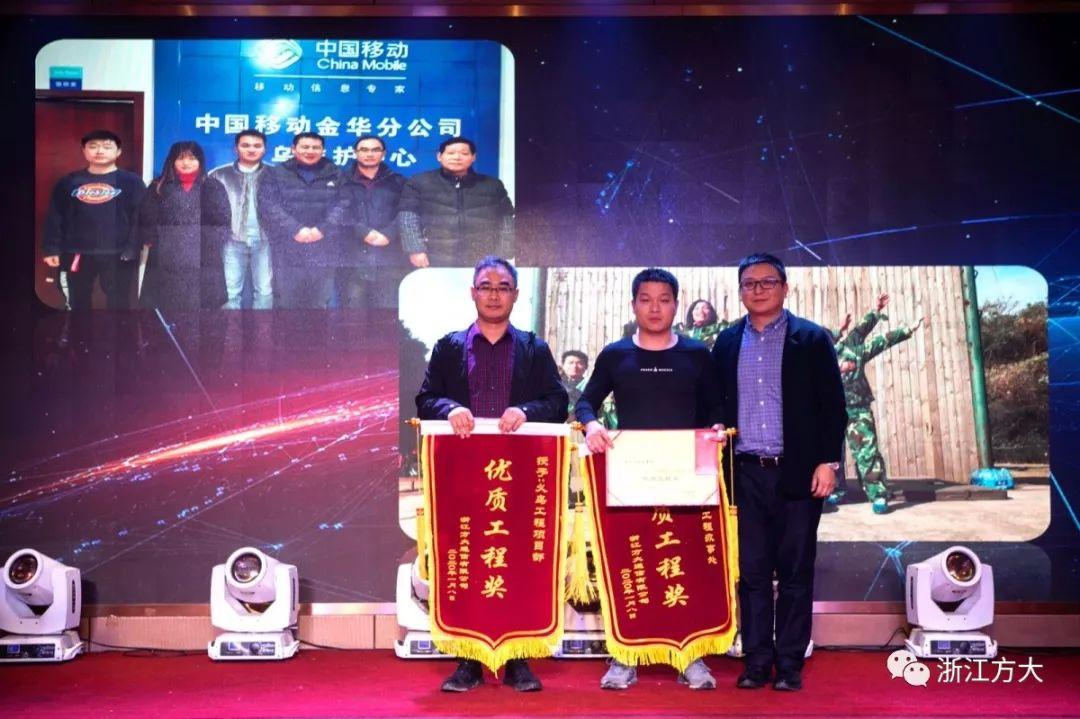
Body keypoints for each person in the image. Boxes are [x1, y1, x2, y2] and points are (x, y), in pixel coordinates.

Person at [415, 256, 568, 692]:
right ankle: (469, 660)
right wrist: (450, 408)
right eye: (486, 286)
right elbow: (425, 399)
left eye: (503, 287)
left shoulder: (534, 348)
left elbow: (558, 402)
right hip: (463, 476)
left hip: (518, 477)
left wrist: (526, 411)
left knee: (516, 562)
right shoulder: (449, 347)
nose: (494, 294)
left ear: (516, 295)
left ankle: (518, 659)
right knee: (465, 561)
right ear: (473, 293)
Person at [575, 268, 722, 691]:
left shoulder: (697, 354)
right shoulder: (616, 355)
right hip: (631, 478)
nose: (655, 308)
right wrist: (591, 425)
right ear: (633, 304)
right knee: (630, 565)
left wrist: (716, 429)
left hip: (687, 480)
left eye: (664, 299)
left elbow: (717, 408)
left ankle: (689, 655)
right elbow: (585, 403)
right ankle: (625, 655)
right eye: (646, 299)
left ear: (676, 305)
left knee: (687, 566)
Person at [711, 253, 846, 692]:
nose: (758, 290)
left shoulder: (811, 338)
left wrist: (828, 461)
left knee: (795, 572)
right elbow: (716, 403)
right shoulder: (727, 342)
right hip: (744, 473)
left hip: (798, 473)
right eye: (749, 283)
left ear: (785, 288)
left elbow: (833, 407)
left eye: (767, 282)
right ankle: (756, 662)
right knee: (751, 574)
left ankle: (789, 664)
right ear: (740, 291)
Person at [830, 293, 925, 513]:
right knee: (831, 454)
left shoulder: (854, 350)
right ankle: (835, 490)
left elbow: (880, 340)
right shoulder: (818, 356)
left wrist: (907, 329)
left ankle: (878, 494)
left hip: (857, 409)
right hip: (830, 412)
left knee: (867, 451)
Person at [42, 129, 146, 310]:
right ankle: (78, 330)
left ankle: (119, 330)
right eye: (93, 146)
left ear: (118, 151)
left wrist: (132, 248)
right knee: (77, 302)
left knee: (119, 303)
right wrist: (51, 249)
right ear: (84, 150)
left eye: (107, 146)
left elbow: (140, 218)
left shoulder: (132, 182)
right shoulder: (68, 182)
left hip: (118, 253)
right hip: (76, 252)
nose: (99, 151)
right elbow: (55, 216)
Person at [136, 141, 229, 310]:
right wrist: (151, 238)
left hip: (203, 253)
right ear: (172, 161)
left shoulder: (212, 186)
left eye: (192, 158)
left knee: (202, 304)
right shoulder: (158, 186)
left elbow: (222, 219)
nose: (186, 163)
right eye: (180, 158)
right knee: (167, 302)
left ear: (200, 161)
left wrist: (212, 243)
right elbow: (147, 216)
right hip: (166, 253)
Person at [398, 137, 514, 268]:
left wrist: (503, 253)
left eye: (464, 153)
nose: (457, 157)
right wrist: (415, 249)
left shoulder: (492, 185)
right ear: (439, 156)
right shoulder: (419, 182)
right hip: (433, 257)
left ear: (473, 157)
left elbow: (507, 220)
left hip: (482, 258)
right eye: (451, 153)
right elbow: (408, 217)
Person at [256, 132, 342, 308]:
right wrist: (295, 229)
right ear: (293, 149)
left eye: (316, 147)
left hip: (324, 247)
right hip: (287, 248)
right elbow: (268, 204)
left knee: (319, 302)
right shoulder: (276, 173)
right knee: (286, 301)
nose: (310, 151)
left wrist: (321, 229)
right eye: (305, 147)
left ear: (322, 150)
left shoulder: (336, 174)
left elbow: (344, 205)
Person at [328, 134, 406, 308]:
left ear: (383, 154)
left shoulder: (398, 181)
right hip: (351, 258)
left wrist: (389, 233)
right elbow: (335, 212)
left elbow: (407, 212)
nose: (369, 154)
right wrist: (362, 232)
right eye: (364, 149)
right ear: (355, 153)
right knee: (352, 314)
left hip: (388, 258)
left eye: (375, 150)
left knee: (385, 313)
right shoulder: (340, 181)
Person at [208, 129, 273, 309]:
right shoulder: (218, 175)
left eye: (257, 146)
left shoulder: (275, 174)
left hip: (266, 241)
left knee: (265, 291)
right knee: (230, 293)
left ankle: (263, 328)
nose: (251, 149)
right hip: (231, 241)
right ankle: (230, 329)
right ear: (235, 148)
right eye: (245, 145)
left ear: (265, 149)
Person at [560, 349, 589, 417]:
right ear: (563, 365)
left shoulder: (591, 385)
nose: (574, 366)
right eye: (570, 363)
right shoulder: (554, 384)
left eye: (579, 363)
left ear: (586, 367)